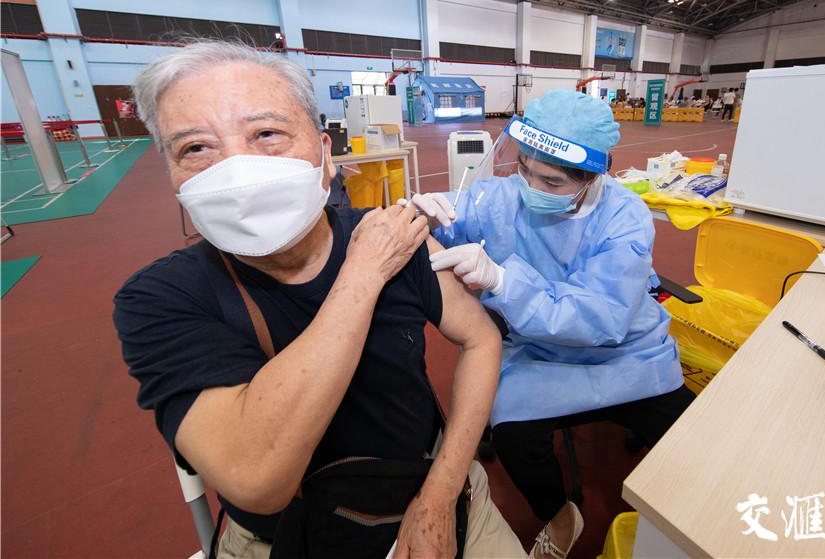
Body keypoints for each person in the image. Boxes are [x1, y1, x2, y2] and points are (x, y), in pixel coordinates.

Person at [113, 41, 526, 559]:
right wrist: (364, 270)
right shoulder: (163, 298)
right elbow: (257, 478)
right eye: (196, 148)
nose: (238, 171)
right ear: (172, 175)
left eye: (266, 134)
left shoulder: (397, 234)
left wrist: (441, 496)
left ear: (326, 153)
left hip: (433, 486)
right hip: (287, 536)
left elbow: (481, 339)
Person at [400, 89, 695, 559]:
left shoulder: (625, 217)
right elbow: (455, 218)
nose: (532, 189)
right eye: (523, 170)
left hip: (626, 356)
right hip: (537, 352)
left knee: (693, 435)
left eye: (553, 182)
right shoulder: (500, 198)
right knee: (514, 433)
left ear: (593, 176)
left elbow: (604, 317)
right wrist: (422, 214)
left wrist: (502, 282)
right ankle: (559, 515)